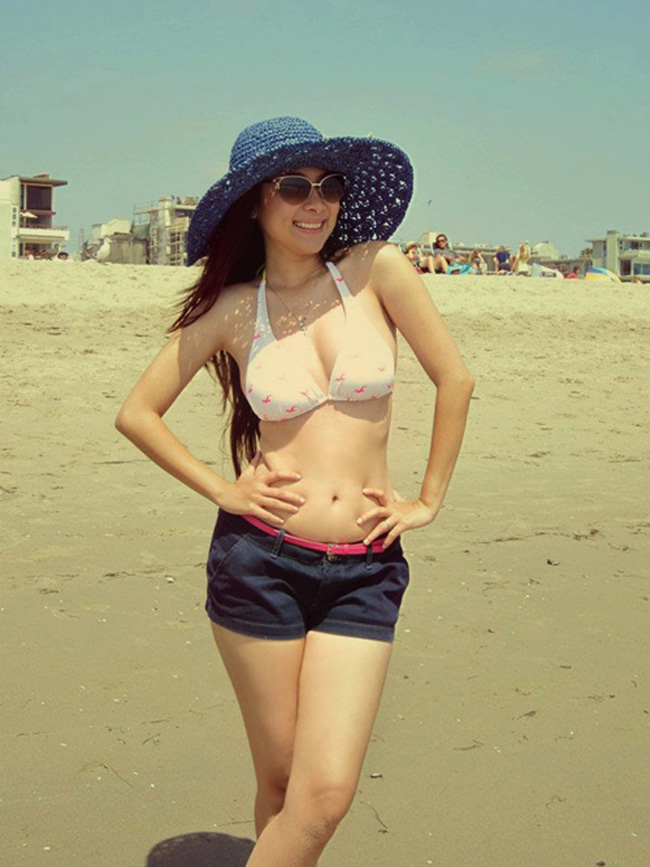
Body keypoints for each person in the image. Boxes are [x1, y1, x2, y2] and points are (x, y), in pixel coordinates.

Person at [115, 116, 474, 867]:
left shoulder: (376, 270)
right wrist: (224, 490)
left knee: (324, 795)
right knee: (280, 784)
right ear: (256, 201)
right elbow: (137, 413)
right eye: (293, 186)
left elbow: (456, 379)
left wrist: (427, 500)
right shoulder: (233, 309)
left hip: (366, 569)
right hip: (261, 563)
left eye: (329, 186)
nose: (316, 202)